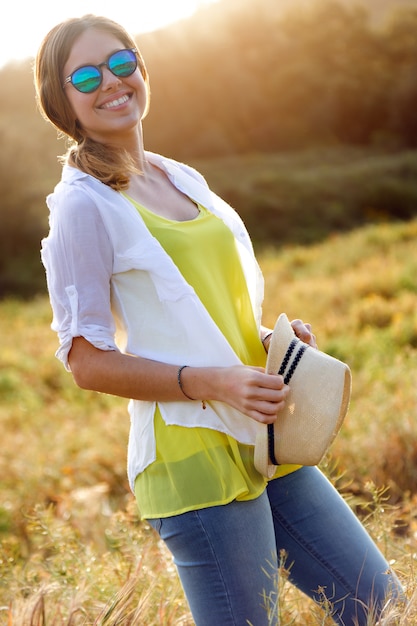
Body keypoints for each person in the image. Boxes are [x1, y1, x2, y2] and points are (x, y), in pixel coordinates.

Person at [34, 14, 404, 626]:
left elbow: (204, 311)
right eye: (86, 75)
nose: (111, 81)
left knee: (380, 605)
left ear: (142, 68)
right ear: (63, 100)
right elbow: (84, 360)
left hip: (264, 436)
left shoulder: (180, 177)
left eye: (121, 62)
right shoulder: (82, 205)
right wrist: (210, 382)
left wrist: (272, 342)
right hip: (194, 457)